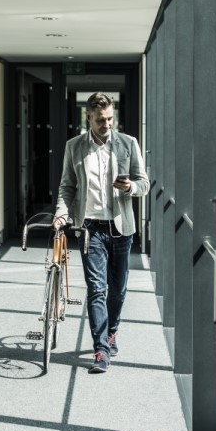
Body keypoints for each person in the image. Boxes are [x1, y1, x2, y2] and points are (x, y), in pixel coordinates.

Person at [54, 92, 150, 373]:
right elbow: (67, 186)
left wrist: (130, 188)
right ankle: (101, 350)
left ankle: (111, 332)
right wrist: (62, 212)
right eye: (100, 120)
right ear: (89, 117)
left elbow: (144, 182)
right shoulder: (74, 147)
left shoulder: (128, 143)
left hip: (121, 227)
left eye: (110, 119)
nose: (106, 124)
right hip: (90, 227)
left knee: (117, 291)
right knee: (97, 289)